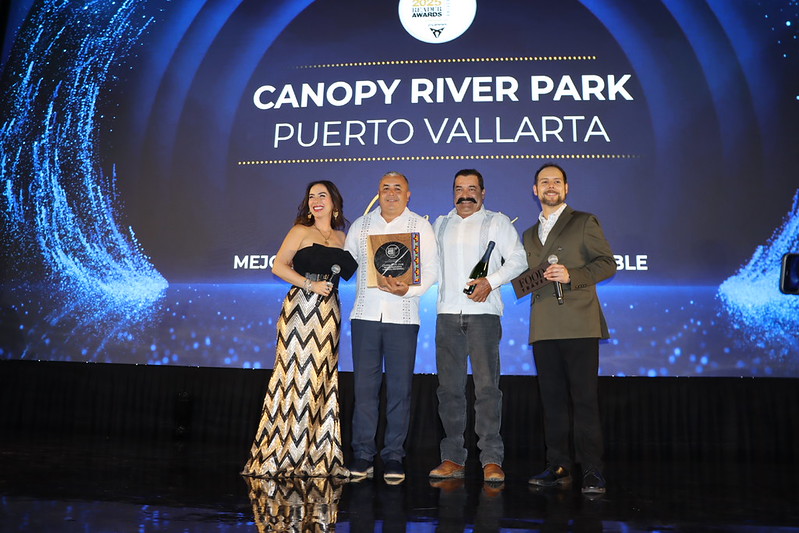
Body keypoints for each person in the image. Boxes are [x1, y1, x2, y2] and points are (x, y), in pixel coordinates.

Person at [242, 180, 358, 478]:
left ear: (334, 203)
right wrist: (309, 284)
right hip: (300, 309)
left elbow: (355, 270)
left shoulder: (343, 237)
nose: (316, 200)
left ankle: (317, 453)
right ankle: (283, 451)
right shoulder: (300, 231)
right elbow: (278, 266)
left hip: (329, 313)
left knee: (322, 378)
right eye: (311, 196)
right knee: (293, 375)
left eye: (322, 195)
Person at [522, 163, 616, 494]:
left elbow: (607, 263)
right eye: (544, 182)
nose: (550, 186)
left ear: (566, 188)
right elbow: (528, 276)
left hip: (579, 323)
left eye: (556, 181)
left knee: (584, 400)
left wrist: (571, 275)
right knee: (552, 402)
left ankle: (592, 469)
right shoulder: (528, 234)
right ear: (535, 190)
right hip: (544, 326)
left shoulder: (584, 221)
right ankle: (558, 465)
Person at [428, 169, 527, 484]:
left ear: (483, 193)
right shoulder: (440, 224)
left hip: (484, 315)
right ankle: (452, 458)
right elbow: (429, 268)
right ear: (453, 192)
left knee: (487, 390)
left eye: (472, 188)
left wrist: (491, 281)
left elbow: (519, 260)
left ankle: (491, 460)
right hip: (447, 315)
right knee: (449, 391)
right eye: (459, 188)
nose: (465, 194)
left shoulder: (498, 222)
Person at [344, 171, 439, 484]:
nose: (391, 193)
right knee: (364, 390)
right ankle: (362, 454)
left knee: (400, 390)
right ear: (378, 192)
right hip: (365, 315)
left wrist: (408, 290)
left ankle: (394, 455)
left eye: (398, 188)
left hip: (403, 317)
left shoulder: (420, 226)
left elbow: (432, 271)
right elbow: (347, 264)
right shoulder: (361, 225)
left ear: (408, 194)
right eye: (385, 187)